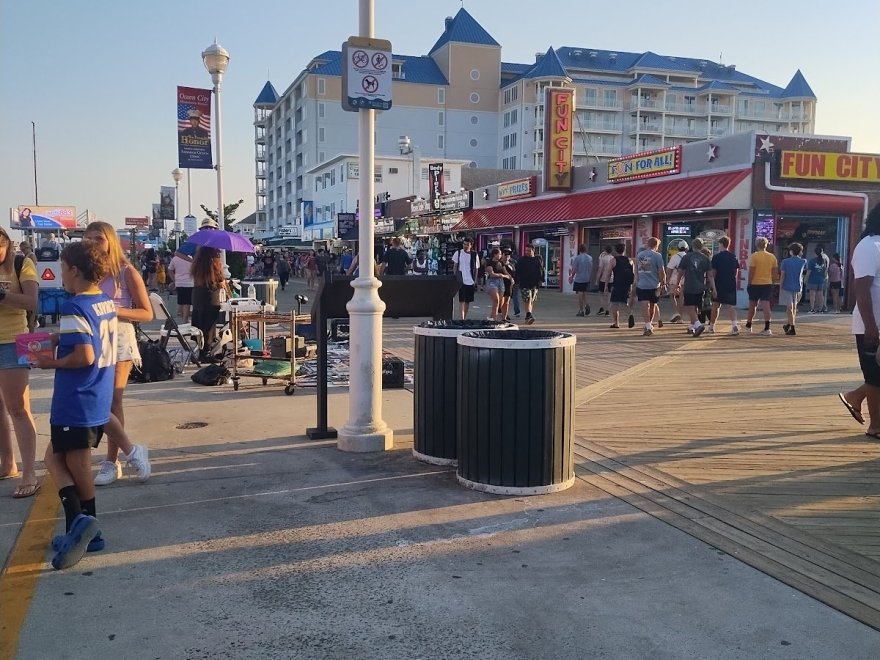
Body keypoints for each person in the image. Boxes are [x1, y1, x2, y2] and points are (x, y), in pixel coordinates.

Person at [34, 241, 116, 569]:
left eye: (64, 269)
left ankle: (82, 524)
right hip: (97, 395)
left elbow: (84, 355)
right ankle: (80, 528)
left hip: (76, 397)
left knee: (60, 460)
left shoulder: (74, 306)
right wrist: (57, 338)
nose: (61, 277)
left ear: (75, 270)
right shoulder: (103, 301)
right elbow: (91, 339)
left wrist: (47, 362)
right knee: (71, 461)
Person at [84, 222, 152, 487]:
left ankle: (111, 462)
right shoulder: (85, 272)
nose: (92, 243)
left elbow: (147, 313)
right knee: (93, 399)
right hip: (89, 339)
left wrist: (112, 309)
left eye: (98, 239)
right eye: (87, 238)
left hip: (119, 338)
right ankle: (129, 451)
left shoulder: (126, 272)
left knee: (112, 401)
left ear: (111, 241)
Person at [0, 227, 39, 497]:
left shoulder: (20, 264)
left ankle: (29, 472)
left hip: (13, 341)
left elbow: (32, 301)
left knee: (18, 407)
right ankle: (7, 463)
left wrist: (2, 295)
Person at [839, 204, 880, 437]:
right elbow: (861, 290)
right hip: (871, 323)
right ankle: (876, 426)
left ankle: (855, 396)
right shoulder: (868, 246)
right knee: (875, 377)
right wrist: (871, 327)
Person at [191, 247, 229, 362]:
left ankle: (200, 349)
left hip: (197, 294)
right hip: (210, 296)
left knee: (200, 322)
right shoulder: (214, 265)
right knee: (209, 324)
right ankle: (206, 352)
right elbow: (221, 281)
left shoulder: (197, 265)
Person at [675, 237, 712, 337]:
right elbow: (710, 276)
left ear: (692, 246)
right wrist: (713, 288)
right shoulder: (706, 259)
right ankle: (692, 327)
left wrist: (677, 284)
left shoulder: (686, 257)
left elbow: (680, 273)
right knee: (695, 307)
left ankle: (698, 324)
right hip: (701, 286)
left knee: (689, 306)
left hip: (689, 285)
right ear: (702, 246)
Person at [708, 236, 741, 336]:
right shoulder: (733, 257)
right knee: (730, 306)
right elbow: (736, 272)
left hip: (719, 283)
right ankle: (734, 325)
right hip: (730, 283)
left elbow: (713, 273)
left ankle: (711, 327)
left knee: (715, 306)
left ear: (721, 244)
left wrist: (712, 286)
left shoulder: (716, 257)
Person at [635, 237, 667, 336]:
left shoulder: (640, 255)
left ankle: (648, 325)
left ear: (648, 244)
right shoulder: (657, 256)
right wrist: (663, 283)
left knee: (645, 306)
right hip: (654, 284)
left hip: (642, 284)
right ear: (656, 246)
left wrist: (636, 281)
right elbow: (661, 271)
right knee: (653, 305)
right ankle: (650, 324)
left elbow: (637, 270)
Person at [745, 236, 778, 335]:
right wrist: (772, 281)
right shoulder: (772, 257)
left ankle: (748, 326)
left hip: (755, 283)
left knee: (752, 305)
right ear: (766, 245)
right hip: (767, 283)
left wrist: (749, 283)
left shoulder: (754, 256)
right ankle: (767, 328)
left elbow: (751, 271)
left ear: (756, 245)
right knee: (766, 305)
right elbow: (775, 272)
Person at [778, 242, 807, 336]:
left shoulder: (785, 262)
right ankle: (788, 325)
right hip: (798, 286)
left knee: (789, 308)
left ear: (791, 251)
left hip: (787, 286)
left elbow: (782, 275)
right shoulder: (803, 261)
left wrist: (780, 286)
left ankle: (792, 328)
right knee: (794, 307)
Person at [608, 243, 635, 329]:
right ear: (624, 250)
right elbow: (633, 274)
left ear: (615, 250)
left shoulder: (613, 260)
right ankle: (630, 314)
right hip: (627, 284)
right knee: (623, 302)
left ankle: (616, 323)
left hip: (617, 284)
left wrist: (606, 285)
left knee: (613, 304)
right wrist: (631, 286)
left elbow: (608, 273)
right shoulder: (630, 260)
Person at [515, 244, 543, 325]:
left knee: (532, 300)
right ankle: (529, 315)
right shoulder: (522, 260)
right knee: (528, 298)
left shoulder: (538, 259)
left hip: (535, 283)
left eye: (529, 251)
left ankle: (528, 316)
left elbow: (541, 269)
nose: (527, 252)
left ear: (533, 251)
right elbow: (517, 271)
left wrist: (541, 279)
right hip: (524, 283)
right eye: (526, 250)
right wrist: (516, 281)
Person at [452, 238, 478, 320]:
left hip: (470, 280)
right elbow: (455, 266)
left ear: (471, 245)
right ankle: (462, 318)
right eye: (464, 244)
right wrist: (455, 277)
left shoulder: (474, 255)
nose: (465, 246)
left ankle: (465, 317)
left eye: (467, 244)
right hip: (461, 279)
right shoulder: (458, 253)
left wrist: (475, 280)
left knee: (468, 301)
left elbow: (476, 268)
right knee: (462, 300)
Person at [169, 248, 194, 323]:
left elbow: (170, 269)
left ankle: (183, 317)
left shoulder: (175, 259)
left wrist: (174, 280)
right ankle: (185, 319)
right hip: (189, 282)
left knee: (182, 301)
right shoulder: (190, 259)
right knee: (187, 302)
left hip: (179, 282)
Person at [483, 248, 509, 321]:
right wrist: (502, 275)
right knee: (496, 300)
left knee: (500, 302)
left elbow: (505, 272)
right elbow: (492, 274)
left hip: (501, 282)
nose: (500, 255)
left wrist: (510, 278)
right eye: (499, 254)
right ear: (495, 254)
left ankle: (491, 316)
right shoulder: (489, 262)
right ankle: (495, 319)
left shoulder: (501, 262)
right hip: (492, 282)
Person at [666, 241, 688, 323]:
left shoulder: (674, 257)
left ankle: (676, 312)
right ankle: (680, 317)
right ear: (686, 248)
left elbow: (669, 269)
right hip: (684, 280)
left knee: (672, 295)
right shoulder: (687, 257)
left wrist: (667, 280)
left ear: (678, 248)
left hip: (674, 280)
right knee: (682, 297)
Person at [568, 244, 593, 317]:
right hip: (587, 278)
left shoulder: (577, 258)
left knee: (580, 294)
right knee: (584, 292)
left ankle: (581, 310)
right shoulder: (590, 258)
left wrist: (571, 276)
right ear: (585, 249)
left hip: (579, 278)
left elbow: (574, 269)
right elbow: (591, 267)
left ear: (579, 249)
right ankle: (587, 305)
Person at [19, 241, 38, 332]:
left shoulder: (31, 256)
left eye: (24, 249)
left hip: (30, 282)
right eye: (22, 250)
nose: (23, 251)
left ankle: (31, 330)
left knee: (31, 313)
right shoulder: (26, 256)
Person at [807, 246, 829, 313]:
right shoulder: (824, 261)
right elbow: (825, 271)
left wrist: (806, 279)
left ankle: (812, 308)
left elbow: (809, 271)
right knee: (820, 294)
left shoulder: (812, 261)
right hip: (821, 279)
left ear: (815, 253)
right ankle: (820, 309)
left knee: (812, 294)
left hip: (813, 279)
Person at [595, 245, 614, 317]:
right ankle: (608, 311)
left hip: (603, 278)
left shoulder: (603, 259)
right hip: (611, 279)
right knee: (609, 294)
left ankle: (602, 307)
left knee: (601, 293)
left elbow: (600, 270)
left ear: (605, 250)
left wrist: (597, 280)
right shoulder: (613, 258)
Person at [499, 249, 516, 320]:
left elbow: (514, 273)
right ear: (502, 255)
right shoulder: (499, 263)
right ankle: (494, 316)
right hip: (501, 284)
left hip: (509, 285)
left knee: (507, 301)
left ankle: (504, 317)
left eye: (508, 255)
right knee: (500, 302)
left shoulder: (511, 264)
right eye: (505, 255)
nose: (506, 257)